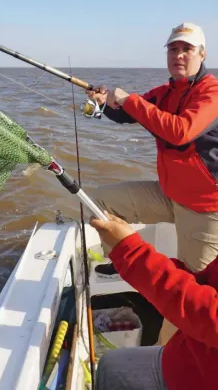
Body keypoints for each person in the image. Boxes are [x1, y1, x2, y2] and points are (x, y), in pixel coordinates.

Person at [86, 22, 218, 344]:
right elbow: (130, 114)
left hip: (204, 209)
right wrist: (104, 104)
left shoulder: (211, 91)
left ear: (202, 54)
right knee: (98, 202)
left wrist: (130, 100)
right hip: (170, 194)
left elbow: (180, 130)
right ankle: (120, 258)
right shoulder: (165, 92)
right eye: (173, 49)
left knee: (190, 293)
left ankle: (164, 354)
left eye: (187, 49)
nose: (179, 55)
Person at [90, 211, 218, 390]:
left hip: (200, 379)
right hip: (188, 360)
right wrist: (141, 259)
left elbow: (208, 315)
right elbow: (204, 283)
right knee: (110, 366)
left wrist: (133, 253)